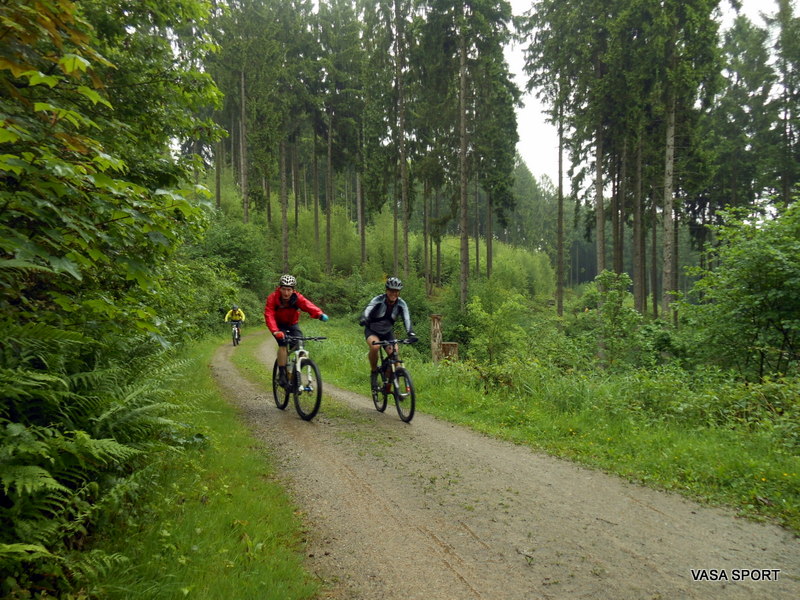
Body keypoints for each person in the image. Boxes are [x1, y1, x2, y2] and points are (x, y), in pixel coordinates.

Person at [264, 274, 328, 387]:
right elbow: (269, 314)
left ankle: (295, 369)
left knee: (300, 344)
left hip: (293, 324)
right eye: (284, 289)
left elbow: (308, 305)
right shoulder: (273, 298)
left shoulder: (297, 298)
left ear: (293, 290)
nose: (286, 293)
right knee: (283, 344)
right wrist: (275, 331)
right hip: (279, 326)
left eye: (289, 290)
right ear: (280, 288)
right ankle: (282, 373)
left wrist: (319, 314)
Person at [359, 276, 416, 390]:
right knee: (375, 348)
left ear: (399, 292)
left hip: (387, 332)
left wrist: (411, 333)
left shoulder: (401, 304)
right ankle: (374, 372)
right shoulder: (378, 300)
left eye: (396, 291)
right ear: (386, 290)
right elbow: (368, 309)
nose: (393, 293)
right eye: (391, 290)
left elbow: (407, 319)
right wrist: (364, 318)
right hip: (372, 330)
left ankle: (394, 385)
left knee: (394, 355)